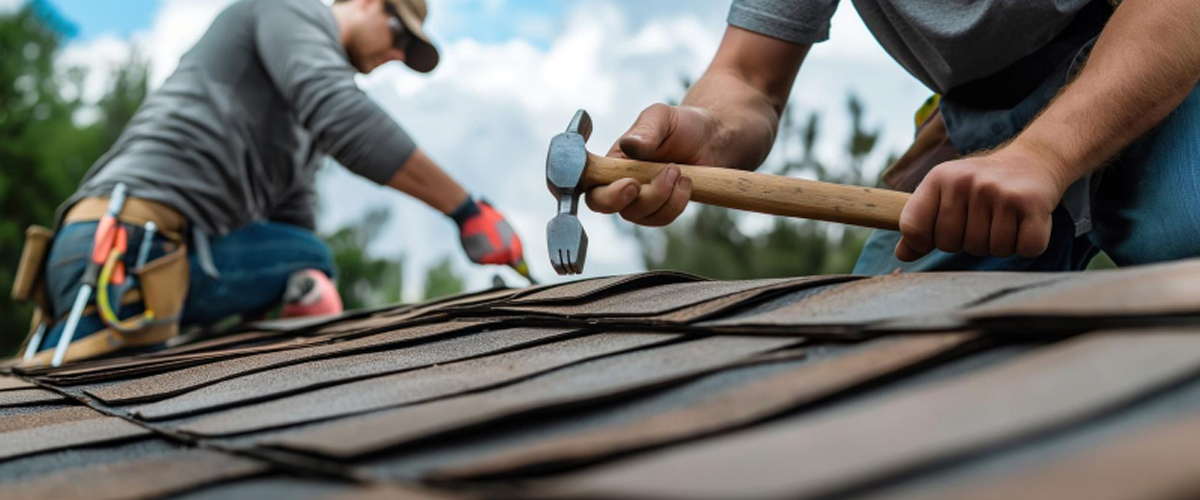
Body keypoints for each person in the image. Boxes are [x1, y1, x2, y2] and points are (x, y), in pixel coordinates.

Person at [15, 0, 525, 365]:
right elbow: (341, 115)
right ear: (368, 4)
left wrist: (312, 303)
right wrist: (465, 209)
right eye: (399, 35)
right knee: (311, 257)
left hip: (128, 257)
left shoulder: (301, 133)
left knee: (306, 256)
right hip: (124, 248)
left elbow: (291, 227)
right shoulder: (287, 9)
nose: (396, 54)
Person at [586, 0, 1200, 274]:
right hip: (976, 126)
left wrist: (1046, 153)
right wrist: (707, 131)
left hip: (1157, 56)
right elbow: (749, 75)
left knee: (1184, 234)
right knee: (876, 345)